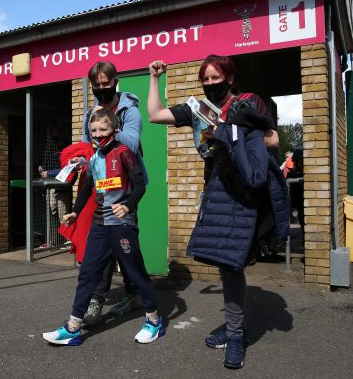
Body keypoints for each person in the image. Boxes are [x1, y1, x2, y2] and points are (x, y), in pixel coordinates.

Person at [147, 55, 289, 369]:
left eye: (216, 77)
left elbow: (273, 138)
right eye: (206, 79)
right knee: (227, 265)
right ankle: (234, 327)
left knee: (232, 263)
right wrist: (155, 78)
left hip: (244, 192)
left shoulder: (247, 102)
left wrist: (229, 132)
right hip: (216, 190)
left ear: (229, 76)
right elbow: (155, 114)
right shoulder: (197, 109)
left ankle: (236, 335)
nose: (211, 84)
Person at [42, 108, 164, 346]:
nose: (98, 135)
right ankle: (73, 327)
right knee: (87, 274)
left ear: (115, 130)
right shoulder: (95, 159)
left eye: (103, 130)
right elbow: (87, 188)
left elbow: (139, 185)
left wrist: (128, 206)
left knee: (136, 274)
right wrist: (75, 212)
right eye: (94, 131)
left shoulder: (125, 153)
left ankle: (154, 321)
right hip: (99, 226)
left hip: (122, 225)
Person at [77, 61, 147, 326]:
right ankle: (97, 300)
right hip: (102, 186)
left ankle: (136, 293)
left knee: (125, 246)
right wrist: (79, 161)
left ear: (116, 81)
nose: (101, 89)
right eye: (97, 85)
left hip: (126, 188)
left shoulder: (129, 110)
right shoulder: (89, 113)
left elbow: (129, 143)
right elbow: (88, 148)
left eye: (106, 83)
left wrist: (107, 124)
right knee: (106, 243)